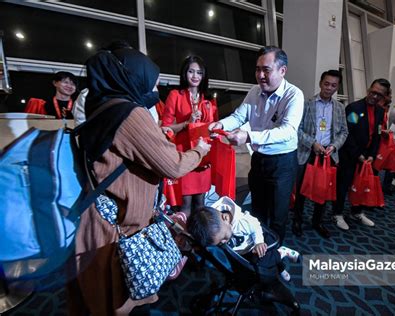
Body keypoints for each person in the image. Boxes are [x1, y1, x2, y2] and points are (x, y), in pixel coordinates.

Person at [67, 43, 211, 315]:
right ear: (133, 79)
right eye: (152, 85)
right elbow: (172, 164)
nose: (155, 92)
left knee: (93, 297)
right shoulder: (130, 114)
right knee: (114, 299)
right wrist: (199, 152)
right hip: (115, 231)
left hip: (98, 221)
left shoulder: (103, 106)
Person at [209, 46, 304, 242]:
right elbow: (239, 116)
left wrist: (249, 136)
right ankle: (257, 248)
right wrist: (220, 124)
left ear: (282, 71)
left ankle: (273, 257)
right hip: (259, 159)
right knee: (258, 211)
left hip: (282, 162)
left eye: (266, 70)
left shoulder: (294, 95)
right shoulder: (254, 91)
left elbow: (287, 131)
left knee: (278, 215)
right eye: (257, 69)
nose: (260, 75)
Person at [292, 70, 348, 239]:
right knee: (302, 189)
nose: (329, 88)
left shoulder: (339, 107)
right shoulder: (306, 104)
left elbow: (344, 132)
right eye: (326, 84)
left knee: (322, 191)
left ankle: (317, 222)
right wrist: (312, 143)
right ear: (320, 83)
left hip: (328, 154)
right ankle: (297, 221)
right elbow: (297, 129)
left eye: (333, 85)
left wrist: (334, 146)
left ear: (337, 87)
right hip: (307, 152)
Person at [187, 198, 300, 281]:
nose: (223, 242)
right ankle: (281, 268)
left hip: (257, 244)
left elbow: (256, 226)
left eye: (224, 238)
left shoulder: (242, 222)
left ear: (225, 218)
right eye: (220, 242)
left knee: (265, 261)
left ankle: (283, 251)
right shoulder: (216, 228)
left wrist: (259, 242)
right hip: (243, 249)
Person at [162, 55, 218, 217]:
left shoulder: (208, 100)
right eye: (191, 72)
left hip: (203, 156)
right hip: (184, 156)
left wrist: (213, 132)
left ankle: (199, 240)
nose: (195, 76)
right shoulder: (175, 95)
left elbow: (211, 126)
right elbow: (165, 128)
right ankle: (183, 241)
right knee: (185, 205)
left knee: (201, 204)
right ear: (184, 73)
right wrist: (187, 123)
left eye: (199, 73)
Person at [333, 78, 389, 231]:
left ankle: (356, 212)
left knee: (362, 184)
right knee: (344, 185)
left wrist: (372, 154)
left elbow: (377, 134)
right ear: (368, 89)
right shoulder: (354, 108)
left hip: (367, 157)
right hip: (350, 154)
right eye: (373, 92)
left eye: (379, 95)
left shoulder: (380, 111)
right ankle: (337, 213)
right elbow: (348, 134)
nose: (375, 96)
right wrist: (358, 154)